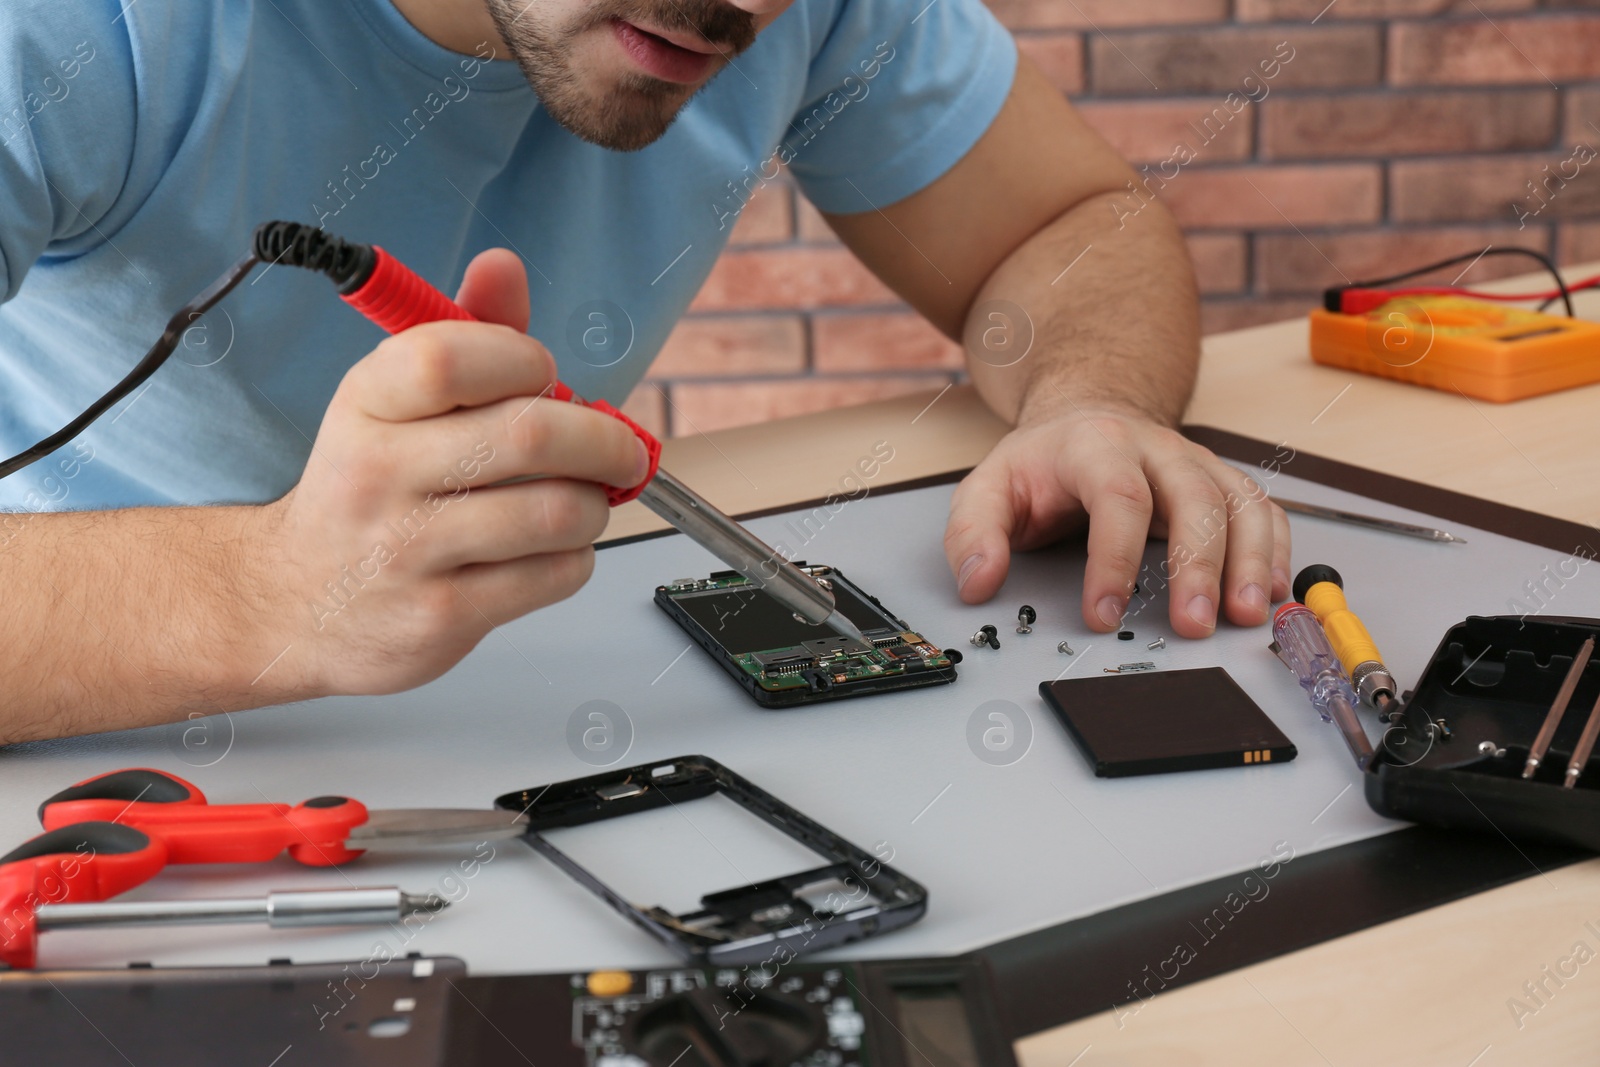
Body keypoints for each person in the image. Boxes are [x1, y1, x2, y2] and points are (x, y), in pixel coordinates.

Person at [0, 0, 1288, 743]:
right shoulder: (69, 32)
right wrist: (268, 591)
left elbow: (1057, 228)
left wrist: (1089, 399)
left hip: (484, 706)